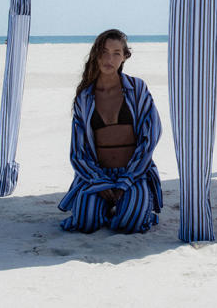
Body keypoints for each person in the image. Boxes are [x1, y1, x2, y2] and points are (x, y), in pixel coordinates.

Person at [58, 29, 162, 234]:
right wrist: (99, 181)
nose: (109, 58)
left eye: (116, 53)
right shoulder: (85, 98)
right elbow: (78, 150)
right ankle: (106, 205)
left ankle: (138, 205)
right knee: (86, 222)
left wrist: (126, 180)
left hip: (133, 172)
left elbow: (151, 137)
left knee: (130, 223)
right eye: (104, 52)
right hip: (98, 174)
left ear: (125, 57)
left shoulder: (137, 88)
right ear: (96, 55)